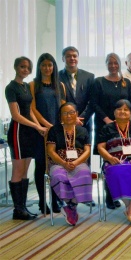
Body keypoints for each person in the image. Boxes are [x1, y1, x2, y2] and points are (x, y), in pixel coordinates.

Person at [89, 53, 131, 210]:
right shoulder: (99, 82)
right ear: (106, 64)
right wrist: (107, 120)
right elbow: (94, 104)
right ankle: (109, 196)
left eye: (116, 63)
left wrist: (123, 120)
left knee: (122, 159)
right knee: (108, 161)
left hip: (123, 127)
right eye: (110, 63)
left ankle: (121, 193)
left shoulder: (125, 82)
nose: (113, 66)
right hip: (105, 127)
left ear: (120, 64)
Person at [97, 100, 131, 224]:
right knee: (116, 172)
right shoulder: (107, 128)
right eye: (119, 109)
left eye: (126, 109)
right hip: (115, 161)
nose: (122, 112)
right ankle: (129, 207)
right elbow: (100, 147)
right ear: (114, 112)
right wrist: (110, 158)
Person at [6, 56, 43, 220]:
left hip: (29, 133)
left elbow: (31, 110)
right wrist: (35, 126)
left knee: (26, 170)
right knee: (18, 170)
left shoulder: (27, 86)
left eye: (28, 67)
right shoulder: (11, 87)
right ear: (16, 67)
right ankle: (17, 209)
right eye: (22, 67)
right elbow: (16, 115)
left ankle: (23, 207)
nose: (25, 70)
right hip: (18, 131)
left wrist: (39, 127)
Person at [30, 53, 66, 214]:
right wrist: (45, 125)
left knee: (55, 166)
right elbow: (32, 108)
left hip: (57, 131)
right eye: (44, 65)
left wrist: (60, 126)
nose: (47, 68)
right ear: (39, 67)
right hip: (41, 131)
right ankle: (42, 202)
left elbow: (64, 109)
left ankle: (55, 199)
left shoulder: (60, 85)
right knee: (41, 166)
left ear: (54, 67)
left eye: (50, 65)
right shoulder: (33, 84)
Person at [46, 103, 92, 226]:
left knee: (84, 173)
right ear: (60, 116)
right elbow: (50, 151)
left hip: (79, 162)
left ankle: (70, 206)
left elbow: (87, 151)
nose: (68, 116)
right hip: (58, 162)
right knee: (59, 176)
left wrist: (76, 162)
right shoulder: (54, 130)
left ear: (76, 114)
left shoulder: (83, 130)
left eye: (71, 112)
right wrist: (64, 163)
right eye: (65, 113)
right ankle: (71, 205)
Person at [58, 46, 95, 136]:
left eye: (75, 56)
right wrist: (70, 118)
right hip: (64, 123)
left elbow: (92, 101)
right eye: (68, 56)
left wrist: (80, 118)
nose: (72, 58)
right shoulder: (56, 77)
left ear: (78, 58)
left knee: (85, 149)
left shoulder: (89, 77)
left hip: (84, 123)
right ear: (63, 58)